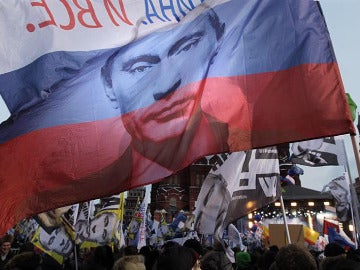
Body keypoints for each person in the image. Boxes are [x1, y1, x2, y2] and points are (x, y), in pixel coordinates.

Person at [101, 7, 229, 180]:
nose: (166, 85)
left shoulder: (252, 142)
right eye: (140, 68)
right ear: (109, 85)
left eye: (186, 47)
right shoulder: (93, 184)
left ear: (217, 42)